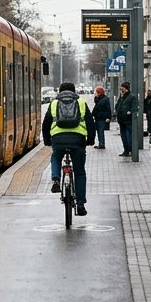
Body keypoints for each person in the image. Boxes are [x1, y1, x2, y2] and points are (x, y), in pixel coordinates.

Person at [43, 81, 94, 216]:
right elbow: (90, 122)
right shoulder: (81, 102)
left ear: (59, 91)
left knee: (56, 156)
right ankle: (81, 204)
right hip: (78, 140)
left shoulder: (54, 103)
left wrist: (47, 139)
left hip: (58, 139)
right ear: (74, 91)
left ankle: (55, 179)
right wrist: (91, 139)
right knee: (80, 172)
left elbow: (46, 123)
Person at [115, 81, 136, 157]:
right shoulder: (121, 97)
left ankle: (130, 150)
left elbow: (134, 108)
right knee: (123, 136)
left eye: (122, 88)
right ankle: (126, 150)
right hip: (121, 120)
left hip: (128, 120)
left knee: (128, 135)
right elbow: (117, 106)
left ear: (126, 88)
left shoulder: (131, 97)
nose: (121, 90)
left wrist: (129, 112)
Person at [90, 86, 112, 150]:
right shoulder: (99, 99)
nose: (95, 93)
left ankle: (102, 144)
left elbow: (108, 109)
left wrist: (108, 117)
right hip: (98, 117)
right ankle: (100, 143)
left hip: (102, 118)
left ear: (99, 93)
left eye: (96, 92)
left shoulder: (104, 99)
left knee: (100, 131)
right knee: (99, 131)